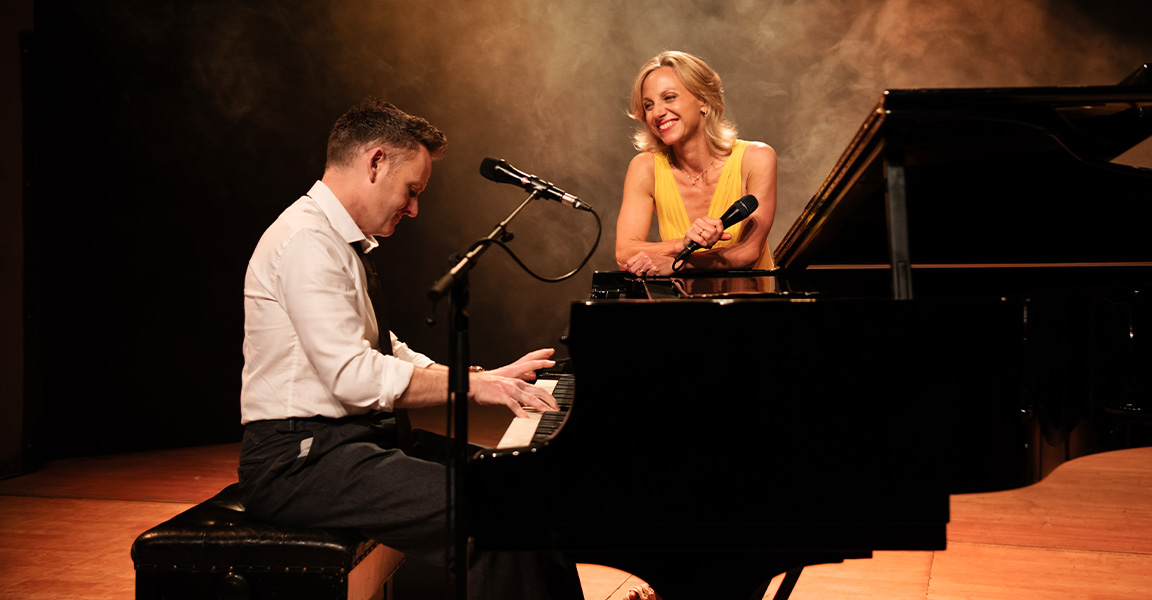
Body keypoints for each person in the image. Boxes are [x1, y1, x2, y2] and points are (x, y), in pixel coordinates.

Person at [237, 98, 584, 599]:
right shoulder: (306, 241)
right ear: (376, 161)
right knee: (488, 516)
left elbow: (384, 349)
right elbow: (353, 376)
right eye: (412, 190)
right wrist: (470, 385)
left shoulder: (334, 239)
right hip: (299, 460)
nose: (415, 208)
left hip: (349, 444)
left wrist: (485, 380)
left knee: (518, 490)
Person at [616, 51, 778, 277]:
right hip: (687, 306)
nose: (658, 113)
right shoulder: (644, 167)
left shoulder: (757, 157)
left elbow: (749, 251)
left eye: (669, 97)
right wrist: (681, 245)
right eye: (649, 105)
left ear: (703, 100)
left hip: (754, 303)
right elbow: (625, 252)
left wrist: (679, 263)